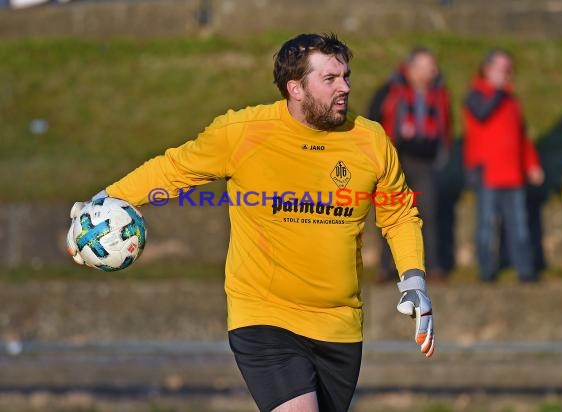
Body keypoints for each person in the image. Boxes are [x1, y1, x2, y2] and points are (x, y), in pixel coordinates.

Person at [67, 33, 435, 412]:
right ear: (295, 88)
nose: (345, 88)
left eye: (346, 76)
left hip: (340, 325)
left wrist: (414, 280)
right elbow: (174, 169)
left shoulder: (371, 140)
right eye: (330, 79)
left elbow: (399, 213)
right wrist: (106, 198)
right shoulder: (242, 132)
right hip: (265, 317)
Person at [368, 47, 452, 283]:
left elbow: (447, 125)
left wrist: (442, 156)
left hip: (426, 161)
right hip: (395, 159)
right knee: (390, 213)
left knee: (429, 213)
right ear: (412, 68)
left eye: (433, 66)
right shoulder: (389, 91)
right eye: (426, 66)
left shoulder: (440, 93)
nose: (432, 71)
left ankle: (432, 267)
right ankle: (387, 268)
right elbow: (373, 121)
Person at [463, 49, 544, 282]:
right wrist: (498, 90)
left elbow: (522, 136)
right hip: (487, 174)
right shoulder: (476, 94)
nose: (506, 73)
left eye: (508, 69)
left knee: (519, 226)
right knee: (486, 227)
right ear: (487, 68)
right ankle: (487, 271)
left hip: (513, 174)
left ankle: (525, 271)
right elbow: (481, 114)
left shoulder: (511, 99)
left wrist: (532, 165)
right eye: (501, 67)